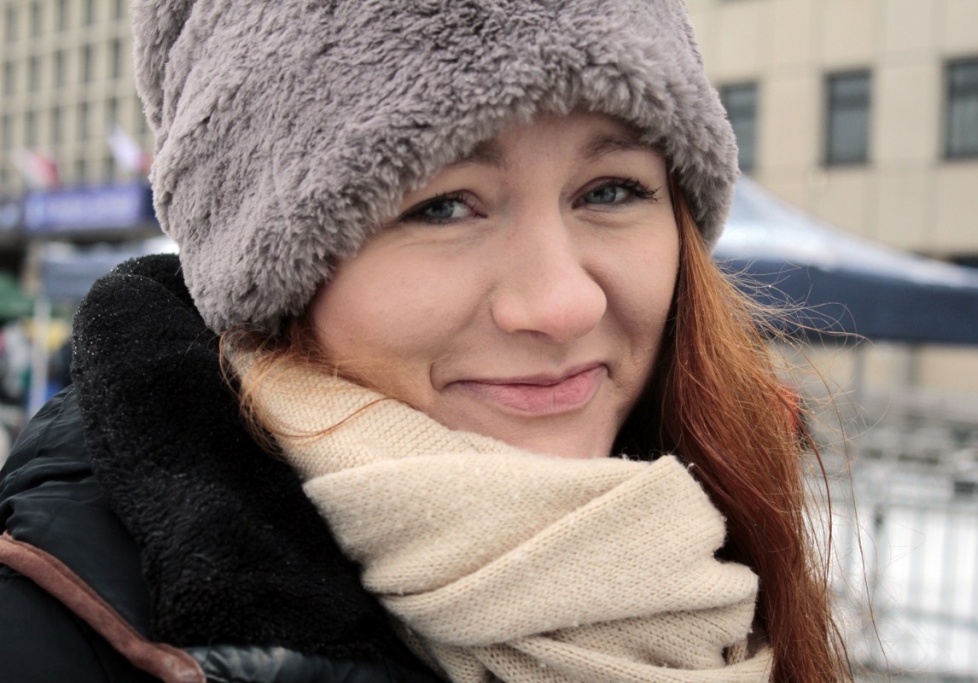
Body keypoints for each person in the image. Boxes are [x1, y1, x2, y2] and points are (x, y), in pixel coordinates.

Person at [0, 1, 850, 682]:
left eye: (611, 190)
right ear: (272, 270)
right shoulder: (47, 635)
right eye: (443, 205)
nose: (561, 304)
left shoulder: (735, 540)